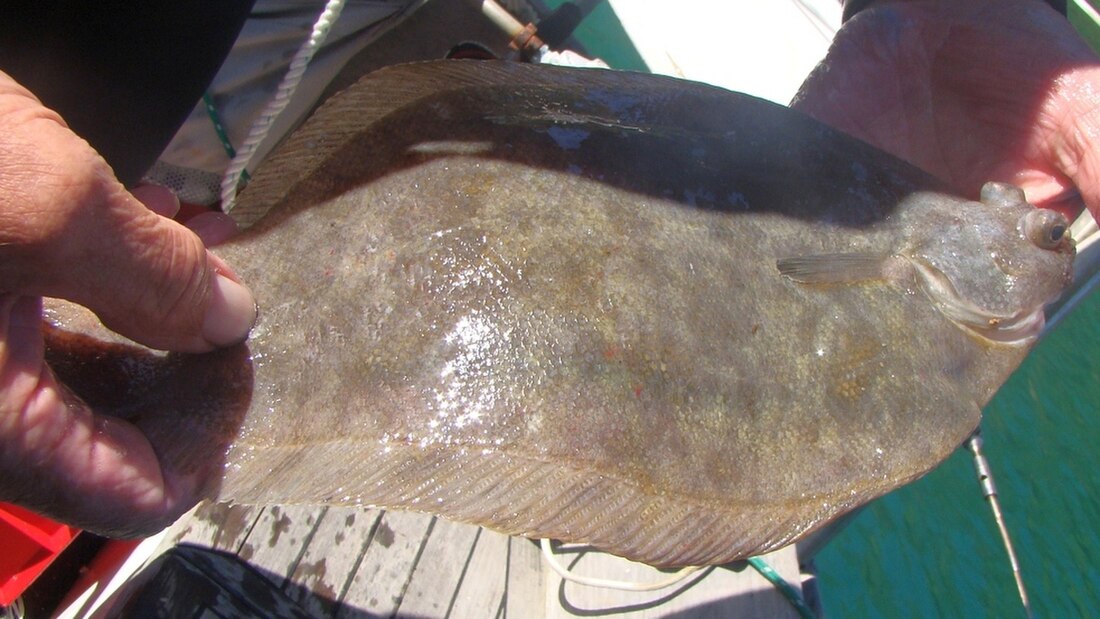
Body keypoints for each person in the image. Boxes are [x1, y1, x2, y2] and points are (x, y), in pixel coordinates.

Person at [0, 0, 1096, 538]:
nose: (1033, 223)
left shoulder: (915, 265)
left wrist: (925, 10)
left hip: (342, 77)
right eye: (1045, 228)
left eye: (1039, 234)